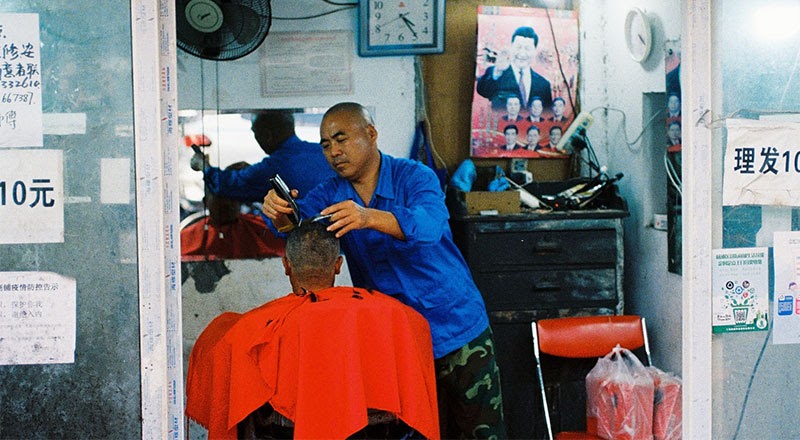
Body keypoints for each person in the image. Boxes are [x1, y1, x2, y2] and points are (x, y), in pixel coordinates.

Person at [261, 102, 506, 439]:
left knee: (480, 433)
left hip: (455, 328)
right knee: (414, 433)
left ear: (371, 134)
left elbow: (432, 225)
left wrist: (368, 217)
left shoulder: (415, 176)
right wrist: (278, 214)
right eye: (326, 145)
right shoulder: (330, 193)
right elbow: (299, 225)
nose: (334, 152)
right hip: (399, 342)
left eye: (341, 139)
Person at [186, 221, 439, 439]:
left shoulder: (252, 329)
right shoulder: (394, 316)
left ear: (286, 265)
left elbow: (223, 375)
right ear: (338, 265)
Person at [190, 109, 335, 203]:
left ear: (267, 135)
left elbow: (226, 185)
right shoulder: (322, 152)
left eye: (255, 133)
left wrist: (204, 166)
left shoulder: (272, 168)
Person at [181, 162, 286, 261]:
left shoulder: (265, 228)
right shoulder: (185, 238)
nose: (227, 203)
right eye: (220, 197)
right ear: (205, 202)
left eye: (231, 197)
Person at [476, 26, 553, 111]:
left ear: (534, 51)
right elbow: (483, 91)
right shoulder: (496, 72)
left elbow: (547, 114)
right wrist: (497, 71)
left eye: (527, 48)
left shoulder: (543, 84)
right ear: (511, 47)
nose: (522, 53)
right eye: (518, 47)